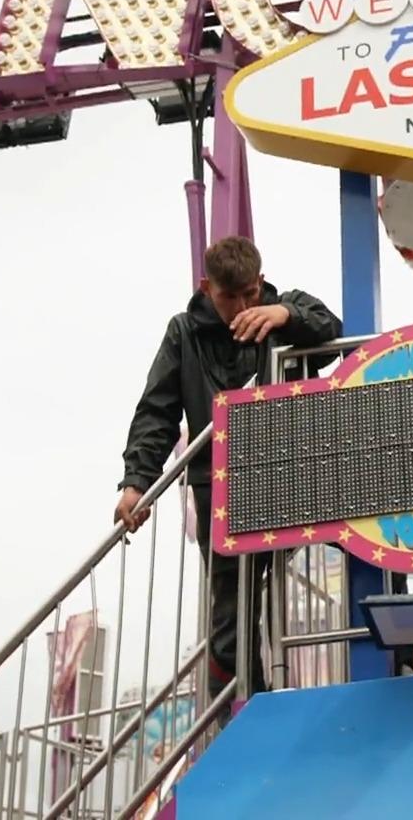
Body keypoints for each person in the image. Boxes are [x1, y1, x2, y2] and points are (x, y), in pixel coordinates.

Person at [114, 235, 343, 691]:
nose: (241, 307)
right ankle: (249, 719)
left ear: (261, 281)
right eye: (228, 296)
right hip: (226, 493)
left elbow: (335, 332)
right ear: (206, 286)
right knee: (230, 625)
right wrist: (136, 483)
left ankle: (401, 660)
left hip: (302, 475)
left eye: (250, 294)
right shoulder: (184, 332)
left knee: (376, 552)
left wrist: (286, 315)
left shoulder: (286, 308)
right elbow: (157, 411)